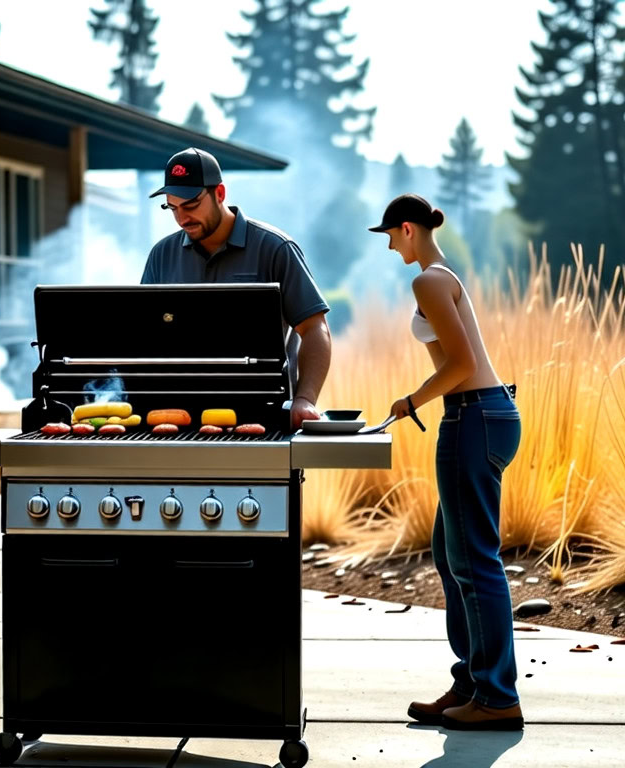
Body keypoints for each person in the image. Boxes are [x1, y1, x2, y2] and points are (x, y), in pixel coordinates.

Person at [367, 193, 524, 731]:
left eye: (389, 234)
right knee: (450, 551)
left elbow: (462, 363)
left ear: (407, 228)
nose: (389, 245)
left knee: (474, 560)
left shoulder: (428, 280)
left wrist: (411, 401)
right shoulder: (441, 275)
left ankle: (497, 696)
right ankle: (471, 684)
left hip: (471, 416)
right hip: (490, 414)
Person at [140, 147, 331, 429]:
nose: (182, 219)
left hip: (263, 416)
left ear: (219, 193)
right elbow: (144, 335)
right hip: (178, 418)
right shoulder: (161, 255)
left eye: (191, 205)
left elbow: (315, 330)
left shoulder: (275, 249)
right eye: (173, 207)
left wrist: (305, 399)